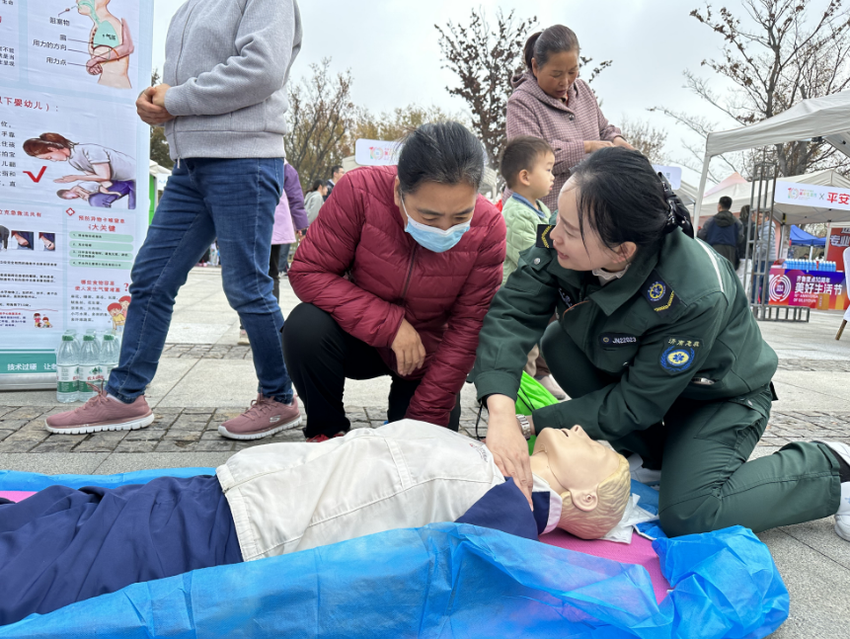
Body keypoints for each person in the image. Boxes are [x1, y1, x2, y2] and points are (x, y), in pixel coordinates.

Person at [471, 147, 850, 541]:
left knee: (690, 515)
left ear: (623, 251)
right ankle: (654, 457)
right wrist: (499, 411)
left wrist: (529, 423)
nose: (554, 236)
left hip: (717, 397)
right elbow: (514, 312)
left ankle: (829, 469)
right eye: (558, 221)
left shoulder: (693, 291)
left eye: (569, 230)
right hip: (649, 381)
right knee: (559, 342)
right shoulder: (571, 230)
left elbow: (635, 404)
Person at [0, 420, 631, 626]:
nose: (582, 430)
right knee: (66, 517)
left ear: (578, 497)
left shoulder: (509, 510)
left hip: (232, 535)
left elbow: (451, 576)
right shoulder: (497, 466)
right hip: (229, 497)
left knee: (44, 561)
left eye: (596, 450)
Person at [43, 0, 304, 441]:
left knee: (246, 285)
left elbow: (262, 69)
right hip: (190, 165)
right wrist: (160, 104)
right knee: (151, 276)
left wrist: (176, 99)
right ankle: (126, 395)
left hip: (244, 157)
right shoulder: (192, 6)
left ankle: (279, 398)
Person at [284, 122, 506, 441]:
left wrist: (423, 424)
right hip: (358, 338)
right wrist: (390, 325)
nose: (444, 230)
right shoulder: (359, 191)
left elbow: (468, 328)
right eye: (429, 218)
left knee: (428, 446)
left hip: (428, 355)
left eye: (460, 217)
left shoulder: (489, 228)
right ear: (398, 190)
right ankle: (325, 431)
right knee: (304, 327)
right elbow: (309, 270)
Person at [506, 25, 632, 212]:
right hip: (537, 217)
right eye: (556, 74)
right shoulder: (521, 103)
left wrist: (620, 143)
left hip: (582, 211)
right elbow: (533, 161)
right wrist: (588, 147)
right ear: (535, 66)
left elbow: (604, 129)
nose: (565, 82)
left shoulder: (583, 91)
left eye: (572, 71)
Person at [498, 135, 565, 400]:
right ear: (525, 176)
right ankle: (519, 400)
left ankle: (530, 392)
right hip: (517, 297)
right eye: (548, 169)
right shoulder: (515, 213)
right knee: (523, 350)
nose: (552, 176)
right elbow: (532, 255)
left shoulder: (537, 209)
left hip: (531, 296)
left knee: (533, 346)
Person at [237, 163, 309, 346]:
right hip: (273, 222)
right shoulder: (284, 166)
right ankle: (269, 325)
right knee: (271, 274)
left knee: (250, 275)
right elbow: (295, 197)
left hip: (251, 220)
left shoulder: (246, 161)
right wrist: (301, 225)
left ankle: (246, 327)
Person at [23, 133, 136, 209]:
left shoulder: (89, 150)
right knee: (95, 201)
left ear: (53, 149)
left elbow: (103, 176)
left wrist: (76, 177)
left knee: (134, 209)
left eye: (49, 157)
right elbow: (101, 181)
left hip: (136, 179)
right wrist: (86, 191)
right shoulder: (73, 161)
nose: (52, 160)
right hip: (120, 182)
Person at [697, 195, 743, 268]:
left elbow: (702, 235)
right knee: (728, 274)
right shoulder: (737, 222)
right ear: (730, 206)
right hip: (730, 252)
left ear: (719, 206)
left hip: (713, 250)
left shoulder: (710, 221)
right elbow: (740, 238)